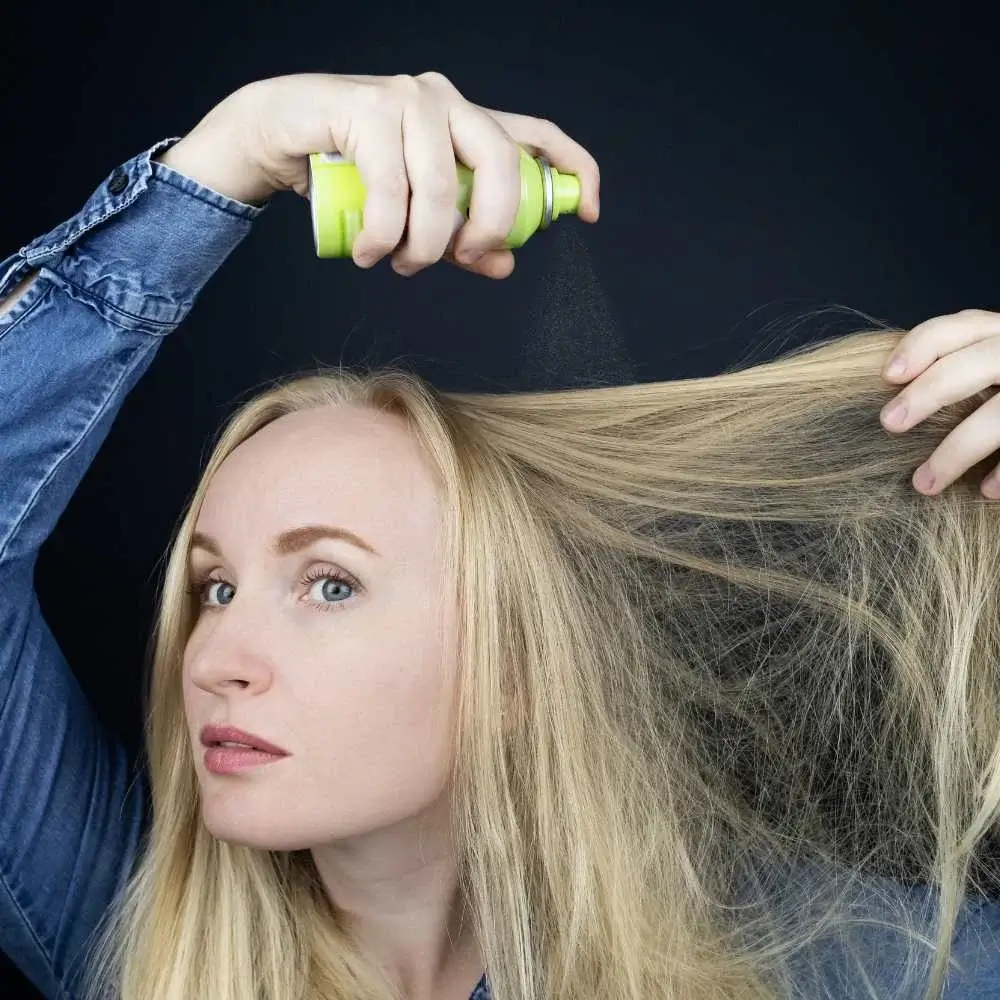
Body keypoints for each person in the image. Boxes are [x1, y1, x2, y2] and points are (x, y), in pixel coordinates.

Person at [1, 71, 999, 1000]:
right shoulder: (145, 941)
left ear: (516, 664)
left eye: (329, 583)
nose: (215, 657)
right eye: (214, 587)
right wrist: (233, 150)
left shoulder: (844, 962)